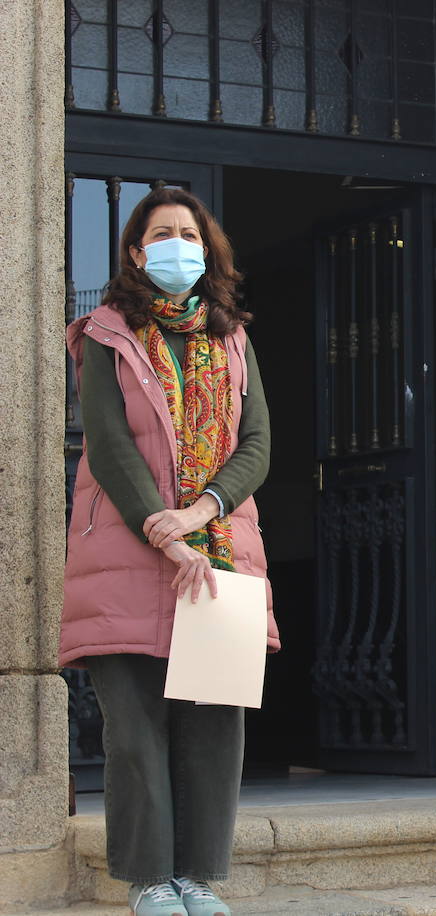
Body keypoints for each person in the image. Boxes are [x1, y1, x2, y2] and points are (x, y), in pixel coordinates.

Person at [61, 187, 276, 916]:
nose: (176, 246)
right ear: (135, 251)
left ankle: (197, 877)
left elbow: (257, 443)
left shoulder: (233, 337)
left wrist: (202, 512)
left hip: (218, 551)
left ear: (206, 250)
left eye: (188, 234)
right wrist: (163, 528)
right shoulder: (105, 333)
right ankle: (150, 879)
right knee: (135, 725)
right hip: (126, 552)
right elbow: (108, 441)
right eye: (161, 234)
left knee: (213, 722)